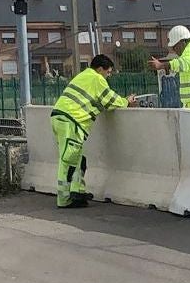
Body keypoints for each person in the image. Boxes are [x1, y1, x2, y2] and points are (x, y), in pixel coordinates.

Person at [50, 54, 137, 209]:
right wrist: (126, 101)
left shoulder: (84, 76)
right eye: (108, 72)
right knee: (69, 161)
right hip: (72, 121)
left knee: (76, 159)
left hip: (62, 118)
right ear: (100, 69)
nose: (108, 76)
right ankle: (64, 198)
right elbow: (109, 99)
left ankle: (77, 193)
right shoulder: (97, 79)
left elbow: (94, 100)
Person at [150, 26, 190, 109]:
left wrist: (162, 65)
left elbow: (184, 63)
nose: (174, 50)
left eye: (174, 47)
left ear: (182, 41)